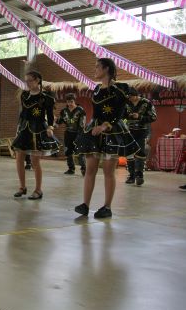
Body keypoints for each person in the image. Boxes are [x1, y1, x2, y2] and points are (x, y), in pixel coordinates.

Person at [74, 58, 139, 219]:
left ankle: (107, 207)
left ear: (107, 69)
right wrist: (93, 127)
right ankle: (85, 205)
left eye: (98, 67)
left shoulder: (120, 89)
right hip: (95, 131)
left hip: (112, 132)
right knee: (90, 169)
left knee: (109, 172)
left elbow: (121, 112)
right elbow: (97, 112)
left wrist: (105, 126)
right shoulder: (96, 89)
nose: (95, 69)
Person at [11, 70, 60, 200]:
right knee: (19, 158)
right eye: (26, 81)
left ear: (38, 80)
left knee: (34, 161)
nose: (27, 83)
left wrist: (50, 127)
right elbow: (23, 114)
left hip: (38, 129)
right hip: (24, 129)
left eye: (30, 80)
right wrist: (18, 128)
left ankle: (38, 190)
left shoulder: (46, 97)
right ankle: (22, 187)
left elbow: (50, 115)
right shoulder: (24, 95)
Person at [124, 87, 157, 186]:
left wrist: (140, 117)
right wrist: (127, 117)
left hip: (142, 131)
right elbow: (122, 115)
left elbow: (153, 117)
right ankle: (131, 175)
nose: (129, 99)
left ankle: (139, 176)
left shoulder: (146, 103)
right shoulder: (126, 103)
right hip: (128, 131)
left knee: (140, 153)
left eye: (130, 97)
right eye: (128, 97)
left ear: (135, 95)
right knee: (129, 153)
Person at [57, 93, 87, 175]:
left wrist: (80, 135)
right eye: (68, 102)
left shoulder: (80, 110)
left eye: (71, 102)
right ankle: (71, 169)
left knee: (79, 151)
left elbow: (82, 125)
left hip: (78, 133)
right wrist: (54, 123)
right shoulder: (64, 111)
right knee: (68, 151)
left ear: (74, 101)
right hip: (68, 133)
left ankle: (84, 169)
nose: (70, 104)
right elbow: (59, 121)